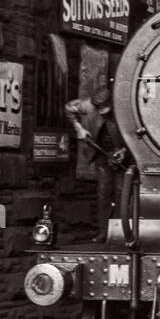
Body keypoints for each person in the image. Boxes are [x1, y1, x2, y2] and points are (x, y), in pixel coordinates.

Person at [65, 88, 128, 243]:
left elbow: (136, 133)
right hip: (101, 154)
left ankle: (120, 232)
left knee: (122, 194)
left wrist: (125, 151)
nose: (102, 113)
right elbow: (68, 109)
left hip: (123, 156)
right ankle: (104, 232)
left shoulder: (125, 109)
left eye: (105, 110)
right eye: (98, 110)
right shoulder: (87, 106)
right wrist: (79, 128)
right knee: (103, 194)